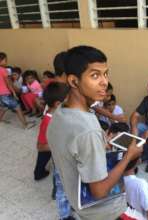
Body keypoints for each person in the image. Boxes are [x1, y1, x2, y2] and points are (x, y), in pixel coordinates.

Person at [47, 46, 142, 220]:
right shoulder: (87, 131)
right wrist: (129, 155)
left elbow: (73, 150)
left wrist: (101, 143)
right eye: (95, 75)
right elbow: (99, 191)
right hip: (104, 212)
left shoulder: (60, 111)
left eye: (106, 74)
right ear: (74, 81)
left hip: (78, 204)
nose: (105, 82)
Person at [0, 52, 33, 128]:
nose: (6, 62)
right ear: (1, 60)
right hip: (5, 93)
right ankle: (25, 125)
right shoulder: (3, 70)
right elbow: (8, 83)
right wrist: (14, 92)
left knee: (4, 107)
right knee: (18, 107)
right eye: (5, 60)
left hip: (0, 94)